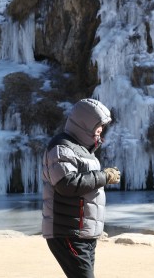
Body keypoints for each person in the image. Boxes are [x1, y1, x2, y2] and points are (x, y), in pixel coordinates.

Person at [42, 98, 121, 278]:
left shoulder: (82, 150)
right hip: (68, 232)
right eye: (97, 128)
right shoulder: (61, 147)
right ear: (84, 124)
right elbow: (66, 184)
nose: (100, 133)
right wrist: (104, 176)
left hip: (83, 233)